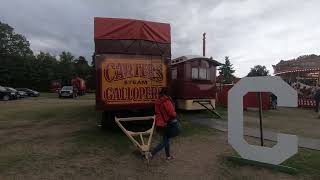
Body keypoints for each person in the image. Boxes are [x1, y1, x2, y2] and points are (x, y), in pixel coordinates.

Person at [148, 87, 177, 161]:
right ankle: (151, 153)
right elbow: (172, 113)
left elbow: (157, 112)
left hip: (160, 123)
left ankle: (168, 156)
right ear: (167, 93)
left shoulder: (158, 101)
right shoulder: (166, 101)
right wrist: (175, 113)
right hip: (167, 123)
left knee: (166, 139)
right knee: (165, 141)